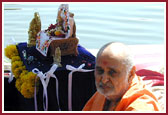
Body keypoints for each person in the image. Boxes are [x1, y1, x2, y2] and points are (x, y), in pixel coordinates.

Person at [82, 42, 161, 111]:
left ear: (130, 74)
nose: (104, 80)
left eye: (112, 72)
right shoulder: (107, 93)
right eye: (100, 71)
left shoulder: (141, 108)